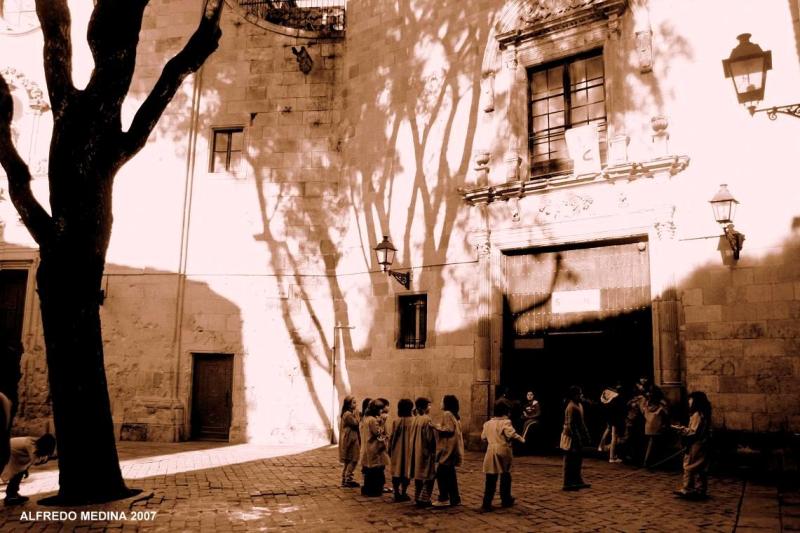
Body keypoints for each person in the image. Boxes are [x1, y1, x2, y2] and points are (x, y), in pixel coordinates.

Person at [480, 399, 525, 512]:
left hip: (491, 450)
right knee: (505, 475)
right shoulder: (506, 422)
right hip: (503, 449)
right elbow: (511, 434)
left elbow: (483, 437)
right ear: (506, 412)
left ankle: (487, 502)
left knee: (490, 477)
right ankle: (506, 499)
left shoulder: (487, 424)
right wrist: (522, 439)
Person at [673, 391, 712, 500]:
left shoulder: (697, 415)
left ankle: (688, 488)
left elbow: (693, 432)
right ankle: (700, 489)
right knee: (700, 467)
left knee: (689, 465)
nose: (689, 402)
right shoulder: (703, 414)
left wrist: (682, 430)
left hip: (695, 444)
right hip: (702, 443)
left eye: (691, 400)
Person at [2, 433, 56, 505]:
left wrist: (25, 469)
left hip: (15, 452)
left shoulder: (34, 443)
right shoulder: (30, 444)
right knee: (16, 473)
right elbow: (35, 461)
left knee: (19, 472)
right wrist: (48, 458)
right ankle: (10, 496)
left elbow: (31, 460)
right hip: (10, 450)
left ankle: (13, 494)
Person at [432, 395, 463, 508]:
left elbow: (449, 429)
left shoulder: (447, 414)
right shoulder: (454, 415)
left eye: (442, 401)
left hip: (448, 449)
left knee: (442, 473)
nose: (440, 403)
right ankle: (455, 498)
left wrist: (435, 426)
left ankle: (444, 497)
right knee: (450, 475)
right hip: (453, 449)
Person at [561, 385, 591, 491]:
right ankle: (567, 482)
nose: (581, 396)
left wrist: (586, 435)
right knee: (569, 460)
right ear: (574, 395)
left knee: (578, 460)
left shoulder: (579, 405)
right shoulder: (571, 406)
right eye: (579, 394)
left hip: (578, 436)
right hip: (571, 437)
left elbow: (582, 423)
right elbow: (570, 425)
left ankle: (577, 480)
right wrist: (576, 438)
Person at [410, 397, 436, 508]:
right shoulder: (427, 419)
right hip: (425, 451)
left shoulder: (415, 418)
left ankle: (417, 496)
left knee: (418, 475)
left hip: (416, 450)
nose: (430, 407)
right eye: (428, 405)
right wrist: (433, 449)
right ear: (424, 407)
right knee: (429, 475)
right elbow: (429, 438)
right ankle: (424, 498)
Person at [360, 399, 387, 497]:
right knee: (375, 470)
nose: (381, 411)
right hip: (373, 448)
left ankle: (367, 489)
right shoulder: (372, 420)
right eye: (380, 409)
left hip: (367, 447)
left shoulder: (366, 418)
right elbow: (378, 433)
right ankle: (374, 490)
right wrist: (383, 423)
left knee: (369, 470)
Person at [389, 398, 414, 502]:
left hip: (397, 450)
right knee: (406, 471)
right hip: (409, 449)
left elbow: (393, 437)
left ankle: (396, 492)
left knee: (397, 470)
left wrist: (390, 448)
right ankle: (404, 492)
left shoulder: (396, 421)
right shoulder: (413, 421)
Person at [643, 386, 670, 468]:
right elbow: (667, 412)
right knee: (654, 443)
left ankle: (648, 460)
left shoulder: (647, 402)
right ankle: (647, 461)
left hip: (648, 424)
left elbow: (643, 411)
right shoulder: (661, 402)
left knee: (651, 442)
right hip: (657, 425)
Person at [597, 383, 624, 463]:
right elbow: (618, 408)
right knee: (614, 437)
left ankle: (601, 446)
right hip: (614, 417)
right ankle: (612, 457)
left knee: (608, 429)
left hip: (607, 416)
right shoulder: (615, 396)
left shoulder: (605, 393)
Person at [338, 396, 360, 488]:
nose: (356, 404)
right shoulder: (348, 414)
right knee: (353, 459)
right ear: (349, 404)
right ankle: (348, 479)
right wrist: (357, 416)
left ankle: (345, 479)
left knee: (349, 459)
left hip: (351, 438)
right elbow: (356, 423)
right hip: (351, 438)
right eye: (354, 403)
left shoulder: (348, 414)